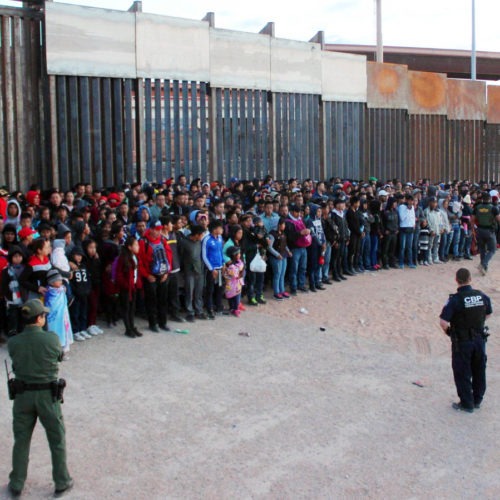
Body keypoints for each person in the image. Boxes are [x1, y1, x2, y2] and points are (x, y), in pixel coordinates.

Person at [7, 299, 73, 497]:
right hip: (47, 396)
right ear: (40, 318)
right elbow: (59, 356)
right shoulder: (51, 339)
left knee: (21, 440)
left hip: (22, 396)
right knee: (56, 438)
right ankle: (61, 480)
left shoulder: (14, 342)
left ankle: (17, 482)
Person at [439, 268, 493, 413]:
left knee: (462, 371)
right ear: (470, 279)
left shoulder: (455, 300)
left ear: (457, 280)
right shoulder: (481, 296)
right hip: (479, 339)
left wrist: (450, 333)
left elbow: (443, 322)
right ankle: (477, 399)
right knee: (479, 369)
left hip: (462, 341)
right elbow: (488, 313)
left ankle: (466, 403)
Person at [115, 236, 143, 338]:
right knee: (126, 308)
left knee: (132, 308)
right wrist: (126, 285)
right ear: (129, 247)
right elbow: (119, 275)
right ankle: (128, 328)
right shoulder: (123, 258)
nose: (138, 246)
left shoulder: (135, 257)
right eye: (136, 245)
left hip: (133, 286)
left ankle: (132, 326)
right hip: (126, 288)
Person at [472, 192, 500, 275]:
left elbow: (472, 219)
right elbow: (498, 219)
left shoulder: (477, 207)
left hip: (480, 230)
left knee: (482, 249)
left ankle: (484, 269)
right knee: (492, 249)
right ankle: (483, 264)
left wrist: (473, 229)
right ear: (490, 199)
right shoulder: (494, 208)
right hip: (489, 230)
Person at [223, 245, 245, 317]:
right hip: (231, 284)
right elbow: (234, 274)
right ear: (233, 255)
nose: (239, 255)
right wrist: (239, 272)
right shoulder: (231, 266)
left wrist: (240, 272)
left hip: (237, 283)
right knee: (231, 296)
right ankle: (232, 308)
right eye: (238, 254)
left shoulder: (239, 262)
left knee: (236, 296)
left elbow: (241, 270)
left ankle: (235, 308)